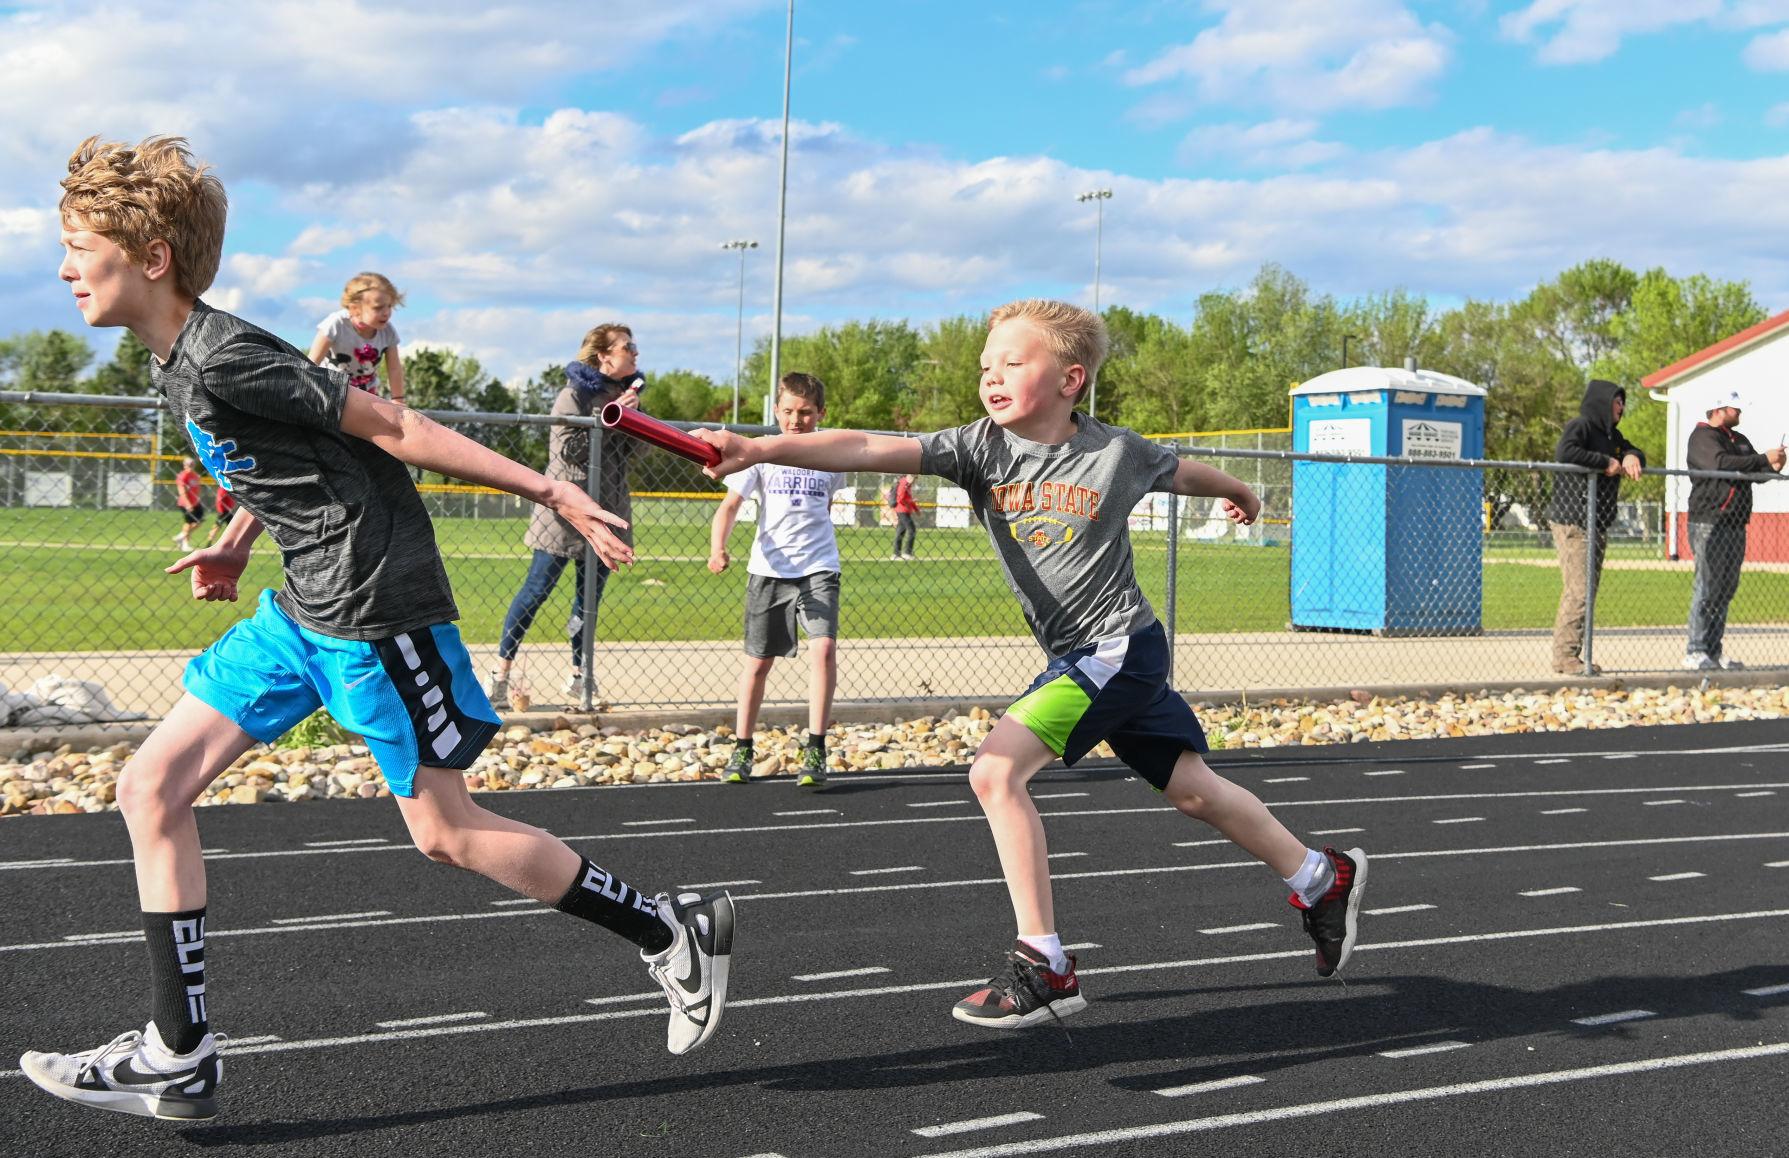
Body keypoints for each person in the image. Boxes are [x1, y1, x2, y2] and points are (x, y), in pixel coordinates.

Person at [22, 135, 734, 1123]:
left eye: (76, 245)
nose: (60, 267)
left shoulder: (227, 351)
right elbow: (283, 465)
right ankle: (178, 1055)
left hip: (368, 610)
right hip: (300, 610)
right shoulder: (179, 364)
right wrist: (235, 539)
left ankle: (666, 929)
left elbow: (392, 430)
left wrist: (550, 487)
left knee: (444, 832)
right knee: (150, 786)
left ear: (149, 258)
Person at [695, 299, 1364, 1028]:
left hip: (1116, 647)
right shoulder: (978, 448)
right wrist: (759, 450)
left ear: (1070, 379)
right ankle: (1319, 876)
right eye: (985, 366)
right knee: (1194, 792)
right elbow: (861, 449)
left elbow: (1180, 471)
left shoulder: (1116, 453)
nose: (991, 377)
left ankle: (1044, 963)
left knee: (994, 770)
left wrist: (1236, 488)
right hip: (1092, 654)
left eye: (1012, 362)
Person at [485, 326, 644, 709]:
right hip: (564, 515)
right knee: (536, 591)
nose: (635, 354)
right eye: (628, 347)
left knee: (588, 601)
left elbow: (636, 456)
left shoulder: (627, 397)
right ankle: (500, 673)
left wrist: (633, 420)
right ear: (603, 355)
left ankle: (579, 675)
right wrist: (611, 419)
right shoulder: (572, 395)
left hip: (607, 512)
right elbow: (568, 450)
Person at [707, 373, 846, 790]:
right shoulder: (760, 454)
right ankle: (743, 744)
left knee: (822, 650)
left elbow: (828, 503)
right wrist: (719, 547)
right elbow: (730, 505)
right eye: (787, 411)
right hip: (769, 569)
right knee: (757, 664)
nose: (796, 420)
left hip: (819, 566)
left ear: (821, 414)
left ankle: (816, 747)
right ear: (776, 412)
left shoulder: (830, 457)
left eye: (805, 413)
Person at [1682, 389, 1786, 670]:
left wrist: (1773, 466)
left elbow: (1754, 471)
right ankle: (1695, 649)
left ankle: (1713, 651)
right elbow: (1720, 464)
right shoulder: (1702, 437)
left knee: (1725, 589)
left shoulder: (1739, 440)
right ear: (1718, 410)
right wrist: (1763, 459)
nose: (1739, 413)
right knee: (1707, 585)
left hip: (1735, 522)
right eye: (1734, 408)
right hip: (1708, 521)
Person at [1546, 378, 1643, 676]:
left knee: (1587, 590)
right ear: (1603, 402)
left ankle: (1573, 655)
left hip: (1597, 521)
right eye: (1617, 401)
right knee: (1580, 591)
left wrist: (1629, 455)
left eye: (1623, 401)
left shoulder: (1613, 435)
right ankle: (1565, 656)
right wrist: (1604, 462)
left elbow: (1637, 453)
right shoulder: (1582, 425)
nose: (1621, 407)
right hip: (1574, 520)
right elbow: (1566, 452)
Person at [307, 272, 406, 403]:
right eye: (378, 308)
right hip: (330, 390)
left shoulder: (387, 332)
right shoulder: (336, 324)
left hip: (366, 394)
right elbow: (311, 363)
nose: (387, 312)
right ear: (355, 308)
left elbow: (394, 369)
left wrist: (398, 399)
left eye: (389, 306)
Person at [171, 456, 201, 550]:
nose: (190, 466)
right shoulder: (183, 476)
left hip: (195, 503)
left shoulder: (195, 475)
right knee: (188, 523)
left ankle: (181, 537)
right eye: (188, 464)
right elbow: (182, 492)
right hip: (185, 503)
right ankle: (185, 544)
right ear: (184, 465)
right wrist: (188, 504)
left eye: (192, 464)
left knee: (198, 522)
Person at [890, 472, 920, 560]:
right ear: (909, 476)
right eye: (914, 479)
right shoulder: (904, 483)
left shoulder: (908, 485)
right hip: (902, 511)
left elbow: (908, 499)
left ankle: (896, 554)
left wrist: (916, 510)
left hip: (904, 511)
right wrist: (911, 502)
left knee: (901, 531)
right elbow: (901, 499)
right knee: (912, 529)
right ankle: (907, 552)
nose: (914, 481)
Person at [203, 479, 236, 546]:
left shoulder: (229, 488)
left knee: (231, 527)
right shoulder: (224, 488)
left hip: (228, 511)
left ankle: (210, 542)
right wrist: (221, 510)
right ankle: (209, 542)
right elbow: (219, 500)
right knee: (219, 527)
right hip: (224, 511)